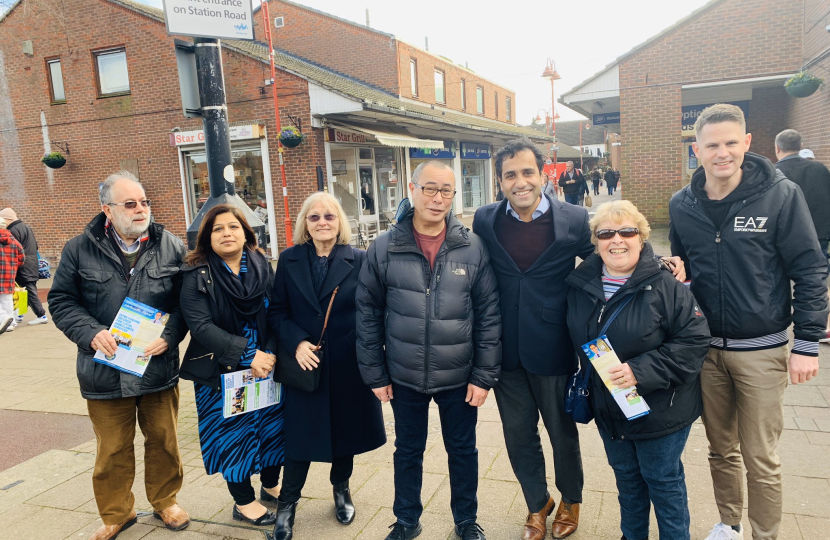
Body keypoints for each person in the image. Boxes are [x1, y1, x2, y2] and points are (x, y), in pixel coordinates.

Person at [473, 138, 686, 540]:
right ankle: (537, 504)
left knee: (561, 432)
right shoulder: (484, 219)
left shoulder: (571, 218)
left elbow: (615, 248)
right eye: (510, 175)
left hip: (554, 344)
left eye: (527, 172)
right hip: (503, 349)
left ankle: (570, 499)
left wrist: (658, 263)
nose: (520, 182)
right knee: (517, 435)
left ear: (543, 174)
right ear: (499, 180)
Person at [669, 104, 829, 540]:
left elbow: (810, 270)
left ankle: (766, 534)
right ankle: (730, 524)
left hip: (763, 350)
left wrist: (808, 343)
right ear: (696, 150)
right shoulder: (682, 204)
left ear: (747, 143)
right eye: (712, 145)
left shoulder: (780, 195)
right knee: (721, 450)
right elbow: (682, 267)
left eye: (730, 143)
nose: (723, 153)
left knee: (760, 456)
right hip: (706, 353)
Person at [357, 160, 502, 540]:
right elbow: (367, 314)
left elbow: (489, 316)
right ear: (412, 188)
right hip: (403, 374)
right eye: (430, 189)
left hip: (459, 374)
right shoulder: (385, 247)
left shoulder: (472, 247)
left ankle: (466, 520)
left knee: (463, 451)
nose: (438, 199)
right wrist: (375, 373)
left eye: (446, 191)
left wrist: (484, 376)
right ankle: (406, 520)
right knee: (407, 452)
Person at [48, 171, 190, 540]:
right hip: (103, 370)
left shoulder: (170, 246)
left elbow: (187, 303)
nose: (141, 209)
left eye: (144, 202)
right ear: (107, 210)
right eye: (131, 203)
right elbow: (62, 301)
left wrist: (171, 335)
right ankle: (117, 513)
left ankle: (165, 501)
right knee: (111, 449)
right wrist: (90, 333)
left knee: (164, 441)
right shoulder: (78, 249)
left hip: (156, 366)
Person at [566, 200, 710, 540]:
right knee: (627, 481)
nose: (617, 239)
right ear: (596, 241)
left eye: (627, 231)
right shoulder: (580, 286)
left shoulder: (666, 285)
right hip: (610, 406)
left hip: (661, 407)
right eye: (606, 233)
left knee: (662, 482)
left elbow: (694, 341)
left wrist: (640, 371)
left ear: (642, 238)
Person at [267, 193, 386, 539]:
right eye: (315, 217)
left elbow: (373, 310)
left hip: (347, 362)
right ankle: (287, 504)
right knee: (300, 438)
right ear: (306, 223)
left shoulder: (360, 260)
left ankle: (341, 489)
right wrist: (297, 342)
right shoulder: (289, 259)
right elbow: (277, 311)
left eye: (329, 217)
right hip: (305, 363)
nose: (322, 223)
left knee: (344, 433)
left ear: (339, 222)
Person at [179, 203, 284, 527]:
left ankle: (270, 484)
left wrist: (268, 354)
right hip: (222, 371)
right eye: (218, 228)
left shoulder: (262, 266)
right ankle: (243, 501)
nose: (227, 233)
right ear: (207, 237)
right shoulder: (197, 275)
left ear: (246, 232)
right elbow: (201, 327)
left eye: (233, 227)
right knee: (232, 436)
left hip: (267, 365)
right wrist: (248, 354)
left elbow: (277, 312)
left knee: (272, 428)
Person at [0, 207, 48, 325]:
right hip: (32, 263)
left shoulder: (13, 230)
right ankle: (19, 314)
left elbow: (12, 249)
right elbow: (35, 246)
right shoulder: (26, 227)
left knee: (29, 291)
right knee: (23, 291)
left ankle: (41, 315)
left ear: (7, 219)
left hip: (23, 265)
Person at [0, 217, 25, 335]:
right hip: (9, 274)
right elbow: (22, 258)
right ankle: (11, 322)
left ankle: (3, 318)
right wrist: (13, 266)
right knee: (7, 299)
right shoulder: (13, 241)